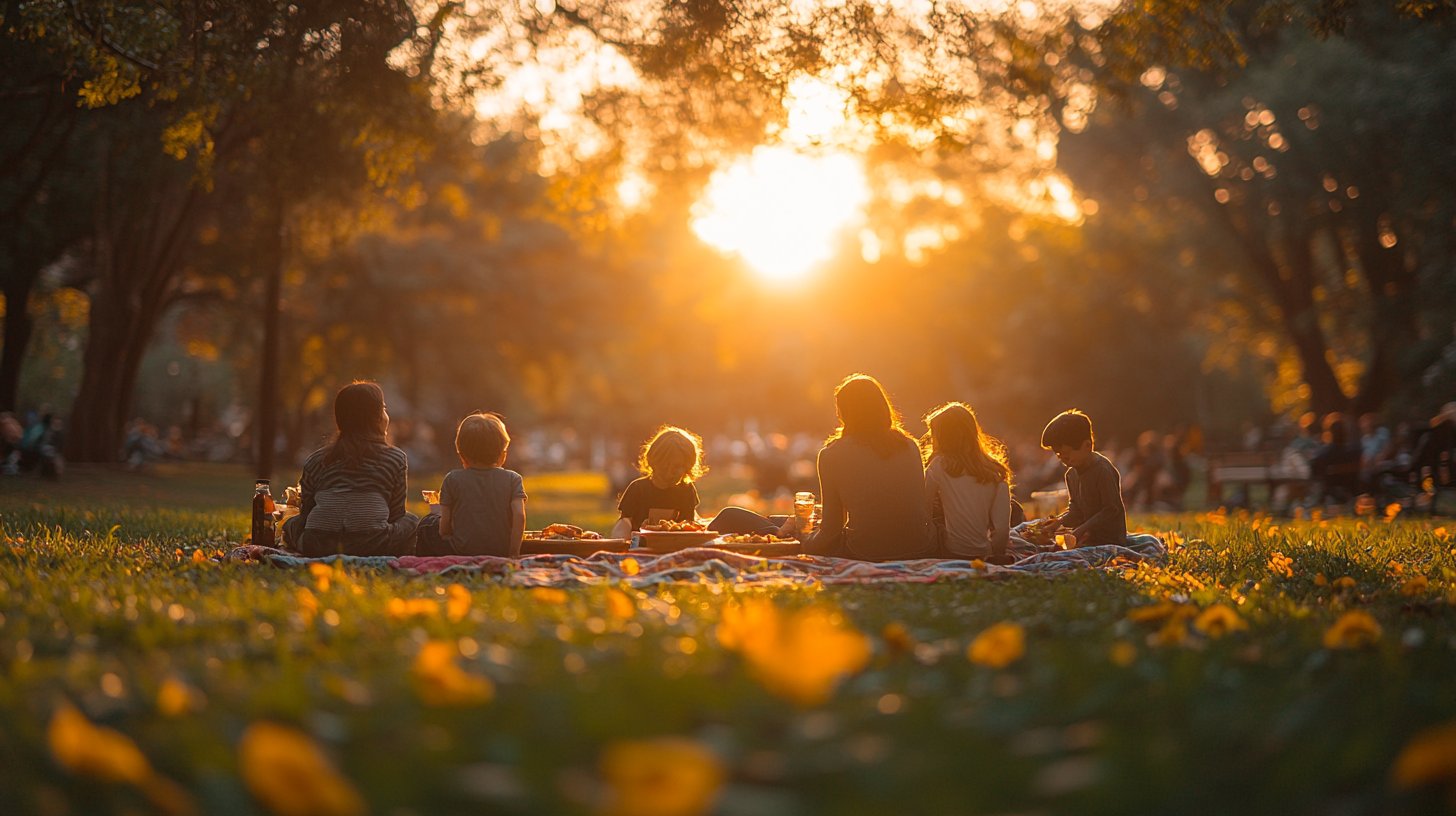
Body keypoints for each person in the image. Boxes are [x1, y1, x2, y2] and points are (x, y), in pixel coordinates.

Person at [791, 374, 935, 561]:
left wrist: (802, 542)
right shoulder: (910, 445)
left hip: (867, 552)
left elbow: (832, 529)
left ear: (843, 413)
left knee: (775, 526)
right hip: (920, 547)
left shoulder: (831, 455)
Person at [281, 381, 418, 557]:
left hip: (316, 545)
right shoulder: (395, 458)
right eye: (383, 409)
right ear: (376, 418)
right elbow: (396, 514)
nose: (386, 415)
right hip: (373, 546)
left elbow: (306, 514)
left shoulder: (316, 459)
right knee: (411, 521)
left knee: (290, 523)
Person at [416, 413, 527, 557]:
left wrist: (444, 528)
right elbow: (519, 515)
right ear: (503, 455)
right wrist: (513, 553)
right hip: (500, 551)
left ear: (461, 455)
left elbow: (444, 529)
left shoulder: (452, 479)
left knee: (426, 524)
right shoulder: (513, 479)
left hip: (460, 551)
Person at [921, 402, 1013, 562]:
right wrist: (995, 553)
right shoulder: (996, 472)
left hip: (951, 550)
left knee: (935, 515)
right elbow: (1002, 529)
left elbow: (923, 509)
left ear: (941, 438)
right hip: (983, 551)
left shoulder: (939, 465)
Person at [1028, 409, 1127, 548]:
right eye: (1059, 455)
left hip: (1109, 541)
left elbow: (1111, 510)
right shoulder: (1071, 475)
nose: (1063, 459)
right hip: (1085, 539)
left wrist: (1081, 530)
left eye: (1067, 454)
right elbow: (1076, 510)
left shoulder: (1102, 470)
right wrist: (1058, 523)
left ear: (1087, 446)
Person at [609, 426, 706, 541]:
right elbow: (625, 522)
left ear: (687, 467)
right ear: (653, 461)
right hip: (640, 546)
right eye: (665, 465)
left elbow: (689, 524)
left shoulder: (686, 490)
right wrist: (621, 541)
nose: (670, 472)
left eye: (677, 467)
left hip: (674, 546)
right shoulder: (638, 488)